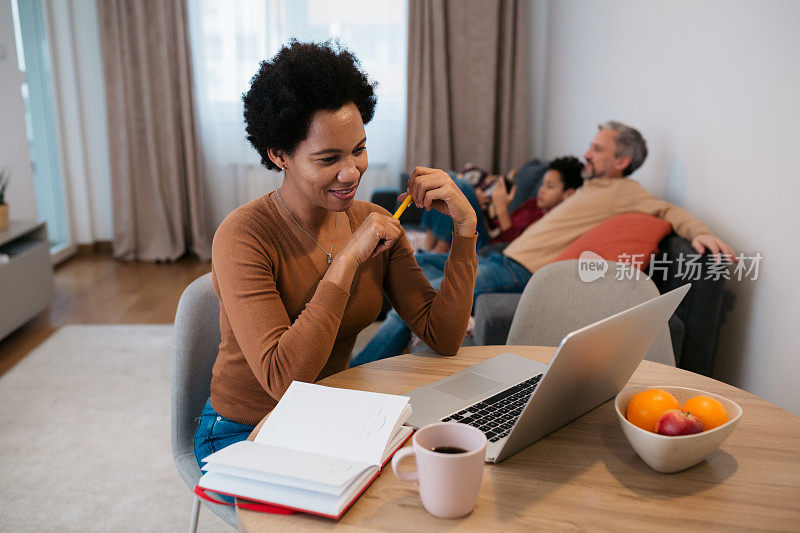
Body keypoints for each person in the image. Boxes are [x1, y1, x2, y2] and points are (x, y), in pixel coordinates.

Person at [193, 40, 479, 472]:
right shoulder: (243, 235)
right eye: (328, 158)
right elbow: (282, 381)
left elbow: (444, 335)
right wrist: (346, 262)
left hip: (328, 418)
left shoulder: (376, 220)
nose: (351, 172)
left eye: (359, 149)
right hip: (243, 430)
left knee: (433, 470)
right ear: (279, 154)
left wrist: (465, 230)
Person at [354, 121, 735, 365]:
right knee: (407, 267)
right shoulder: (594, 187)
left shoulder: (627, 192)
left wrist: (699, 232)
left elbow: (668, 211)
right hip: (501, 255)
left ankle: (358, 373)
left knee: (423, 300)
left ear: (622, 161)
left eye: (598, 149)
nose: (587, 152)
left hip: (518, 271)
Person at [420, 156, 584, 252]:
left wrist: (502, 209)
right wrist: (482, 207)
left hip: (490, 248)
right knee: (447, 177)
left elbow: (513, 247)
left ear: (568, 194)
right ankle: (429, 244)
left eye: (550, 187)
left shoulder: (551, 221)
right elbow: (498, 226)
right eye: (543, 184)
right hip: (488, 233)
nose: (541, 190)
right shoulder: (533, 204)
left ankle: (440, 250)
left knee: (460, 187)